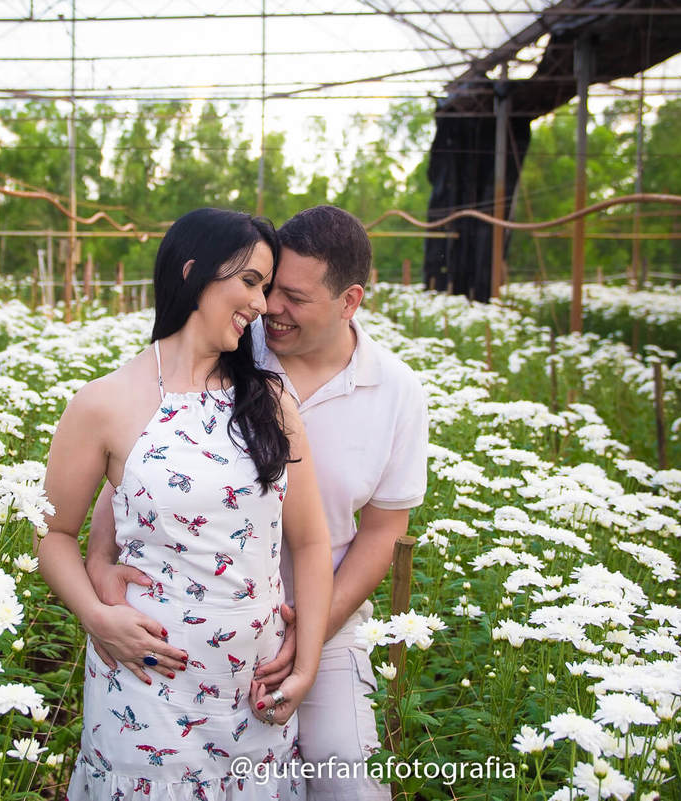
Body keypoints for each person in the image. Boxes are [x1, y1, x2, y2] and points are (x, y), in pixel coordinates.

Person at [86, 205, 429, 800]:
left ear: (350, 301)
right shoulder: (235, 351)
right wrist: (97, 564)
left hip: (330, 617)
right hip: (200, 617)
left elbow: (380, 534)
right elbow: (138, 473)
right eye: (266, 289)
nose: (271, 307)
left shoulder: (397, 392)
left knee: (345, 775)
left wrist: (312, 636)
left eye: (292, 296)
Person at [37, 208, 333, 800]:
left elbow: (310, 541)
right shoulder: (103, 403)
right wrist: (97, 617)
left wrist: (306, 665)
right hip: (144, 691)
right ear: (193, 270)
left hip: (253, 692)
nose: (262, 303)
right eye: (250, 281)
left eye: (268, 286)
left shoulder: (270, 400)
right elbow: (53, 535)